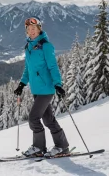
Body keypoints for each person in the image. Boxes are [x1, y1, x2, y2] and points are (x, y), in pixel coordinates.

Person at [14, 16, 69, 157]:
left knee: (33, 118)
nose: (31, 31)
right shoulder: (28, 46)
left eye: (34, 28)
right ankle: (62, 146)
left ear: (39, 29)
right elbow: (28, 68)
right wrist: (22, 84)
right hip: (37, 89)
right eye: (29, 29)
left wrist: (58, 84)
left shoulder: (46, 45)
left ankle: (39, 148)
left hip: (46, 88)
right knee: (48, 119)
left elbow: (53, 66)